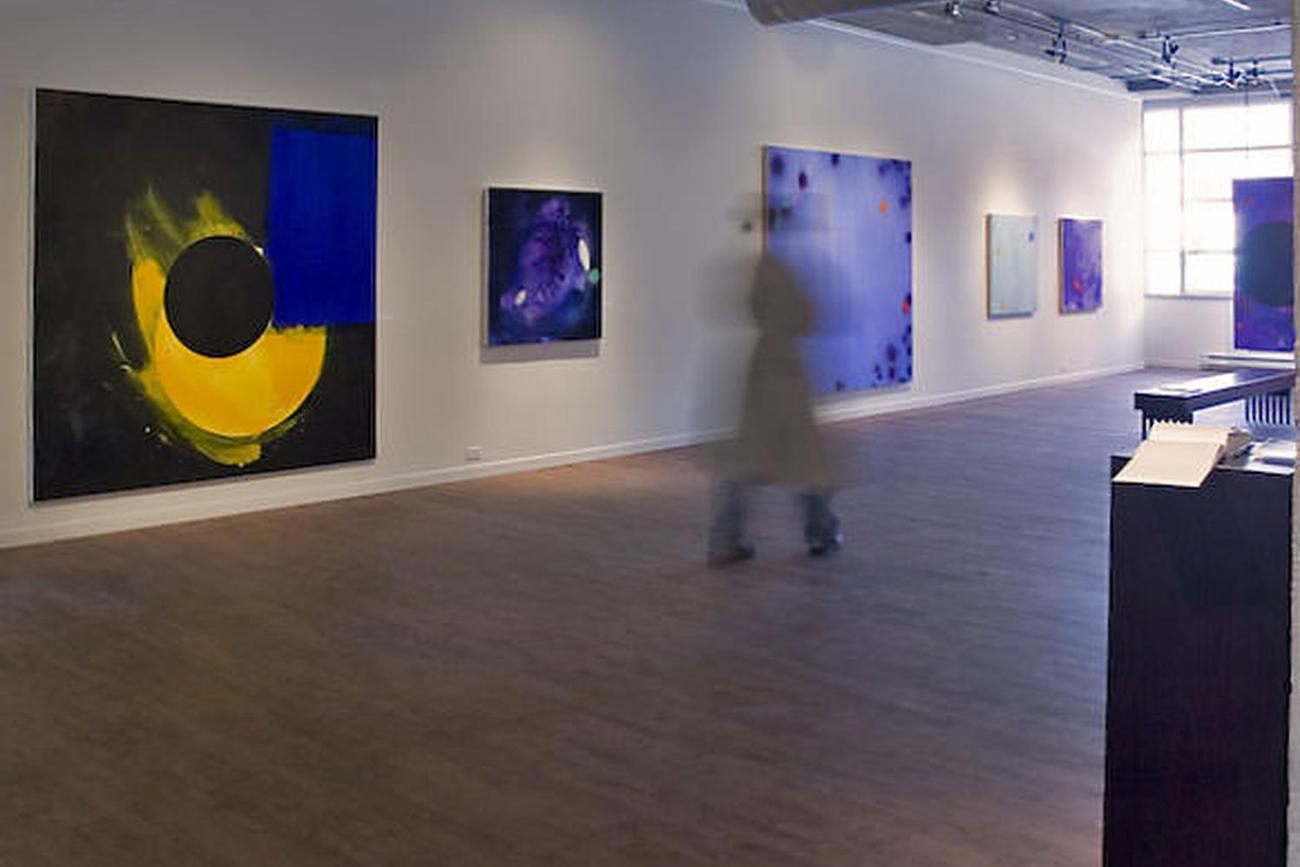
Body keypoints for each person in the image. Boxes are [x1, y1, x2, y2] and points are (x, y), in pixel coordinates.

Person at [708, 249, 842, 566]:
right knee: (810, 463)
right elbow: (807, 319)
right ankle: (821, 533)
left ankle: (727, 538)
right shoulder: (786, 274)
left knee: (750, 462)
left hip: (765, 375)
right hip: (786, 377)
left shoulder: (765, 276)